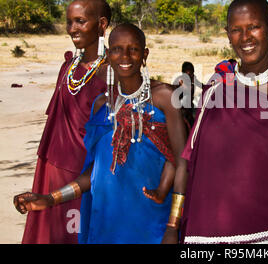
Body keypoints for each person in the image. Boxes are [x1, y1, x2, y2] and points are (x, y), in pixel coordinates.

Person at [163, 0, 268, 244]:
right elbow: (189, 163)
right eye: (236, 30)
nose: (245, 38)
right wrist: (173, 226)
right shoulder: (215, 90)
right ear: (227, 34)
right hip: (207, 236)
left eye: (254, 27)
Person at [13, 23, 188, 244]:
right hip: (106, 221)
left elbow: (183, 161)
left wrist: (173, 226)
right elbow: (95, 173)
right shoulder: (102, 105)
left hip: (151, 221)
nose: (125, 56)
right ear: (108, 54)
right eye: (116, 49)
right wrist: (50, 198)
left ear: (144, 54)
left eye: (133, 49)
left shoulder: (164, 97)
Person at [17, 0, 111, 244]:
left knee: (77, 231)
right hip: (51, 162)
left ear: (102, 23)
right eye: (69, 22)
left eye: (80, 21)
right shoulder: (68, 66)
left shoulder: (113, 70)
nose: (72, 29)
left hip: (85, 168)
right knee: (49, 229)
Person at [173, 61, 203, 130]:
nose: (192, 74)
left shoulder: (192, 79)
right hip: (180, 110)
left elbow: (201, 85)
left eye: (193, 72)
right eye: (190, 72)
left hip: (189, 109)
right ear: (183, 73)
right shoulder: (180, 81)